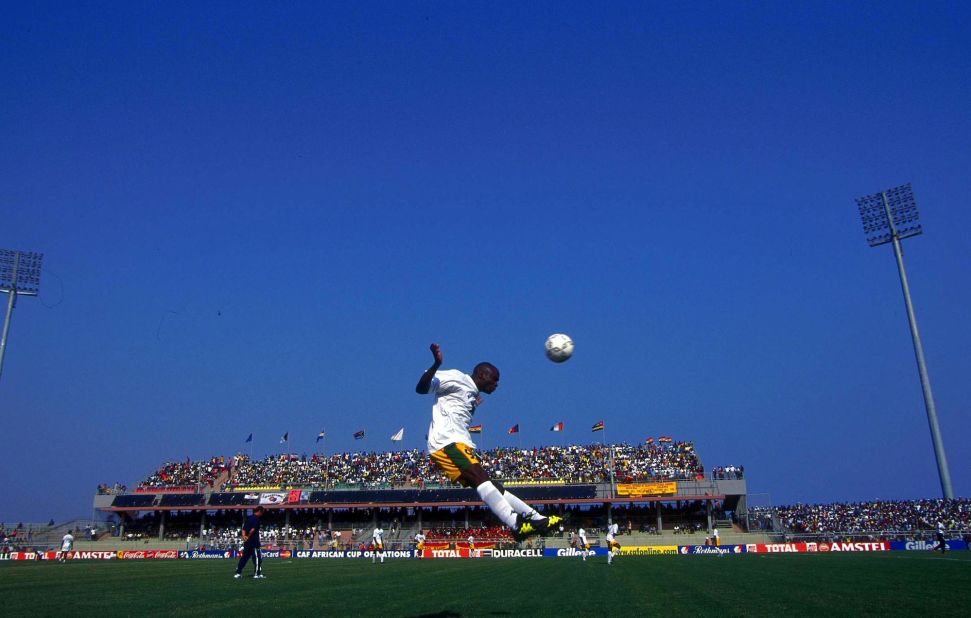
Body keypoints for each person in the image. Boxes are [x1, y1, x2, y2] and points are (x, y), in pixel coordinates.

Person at [415, 343, 563, 540]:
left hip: (459, 443)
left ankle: (536, 518)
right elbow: (421, 388)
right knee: (481, 478)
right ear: (482, 375)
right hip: (447, 442)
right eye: (495, 379)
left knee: (492, 486)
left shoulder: (473, 392)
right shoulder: (457, 377)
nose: (497, 384)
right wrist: (436, 364)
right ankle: (515, 524)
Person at [234, 506, 265, 579]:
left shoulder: (248, 518)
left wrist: (244, 536)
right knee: (258, 558)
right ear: (259, 511)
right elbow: (253, 530)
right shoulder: (257, 520)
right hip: (254, 542)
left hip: (247, 543)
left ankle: (238, 573)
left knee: (244, 558)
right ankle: (257, 574)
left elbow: (244, 529)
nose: (262, 514)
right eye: (262, 512)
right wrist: (248, 536)